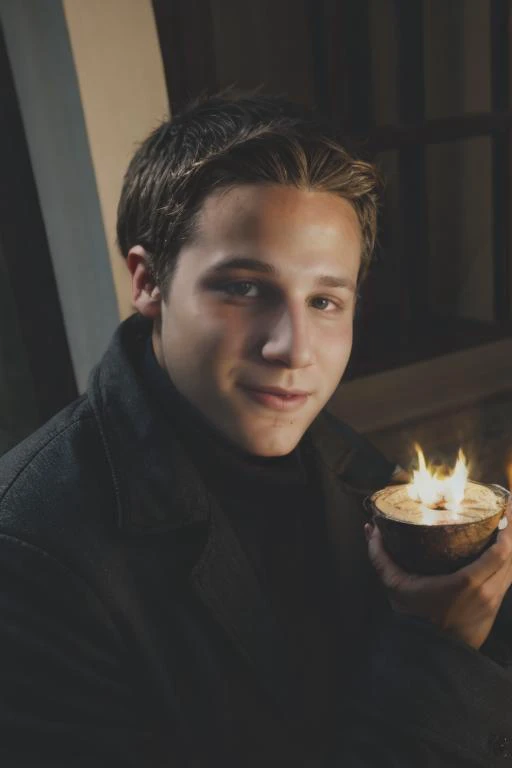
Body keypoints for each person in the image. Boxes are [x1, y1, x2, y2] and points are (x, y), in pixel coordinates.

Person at [1, 92, 512, 768]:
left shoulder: (336, 458)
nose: (293, 348)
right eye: (244, 288)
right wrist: (436, 651)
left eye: (325, 301)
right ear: (148, 280)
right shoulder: (30, 556)